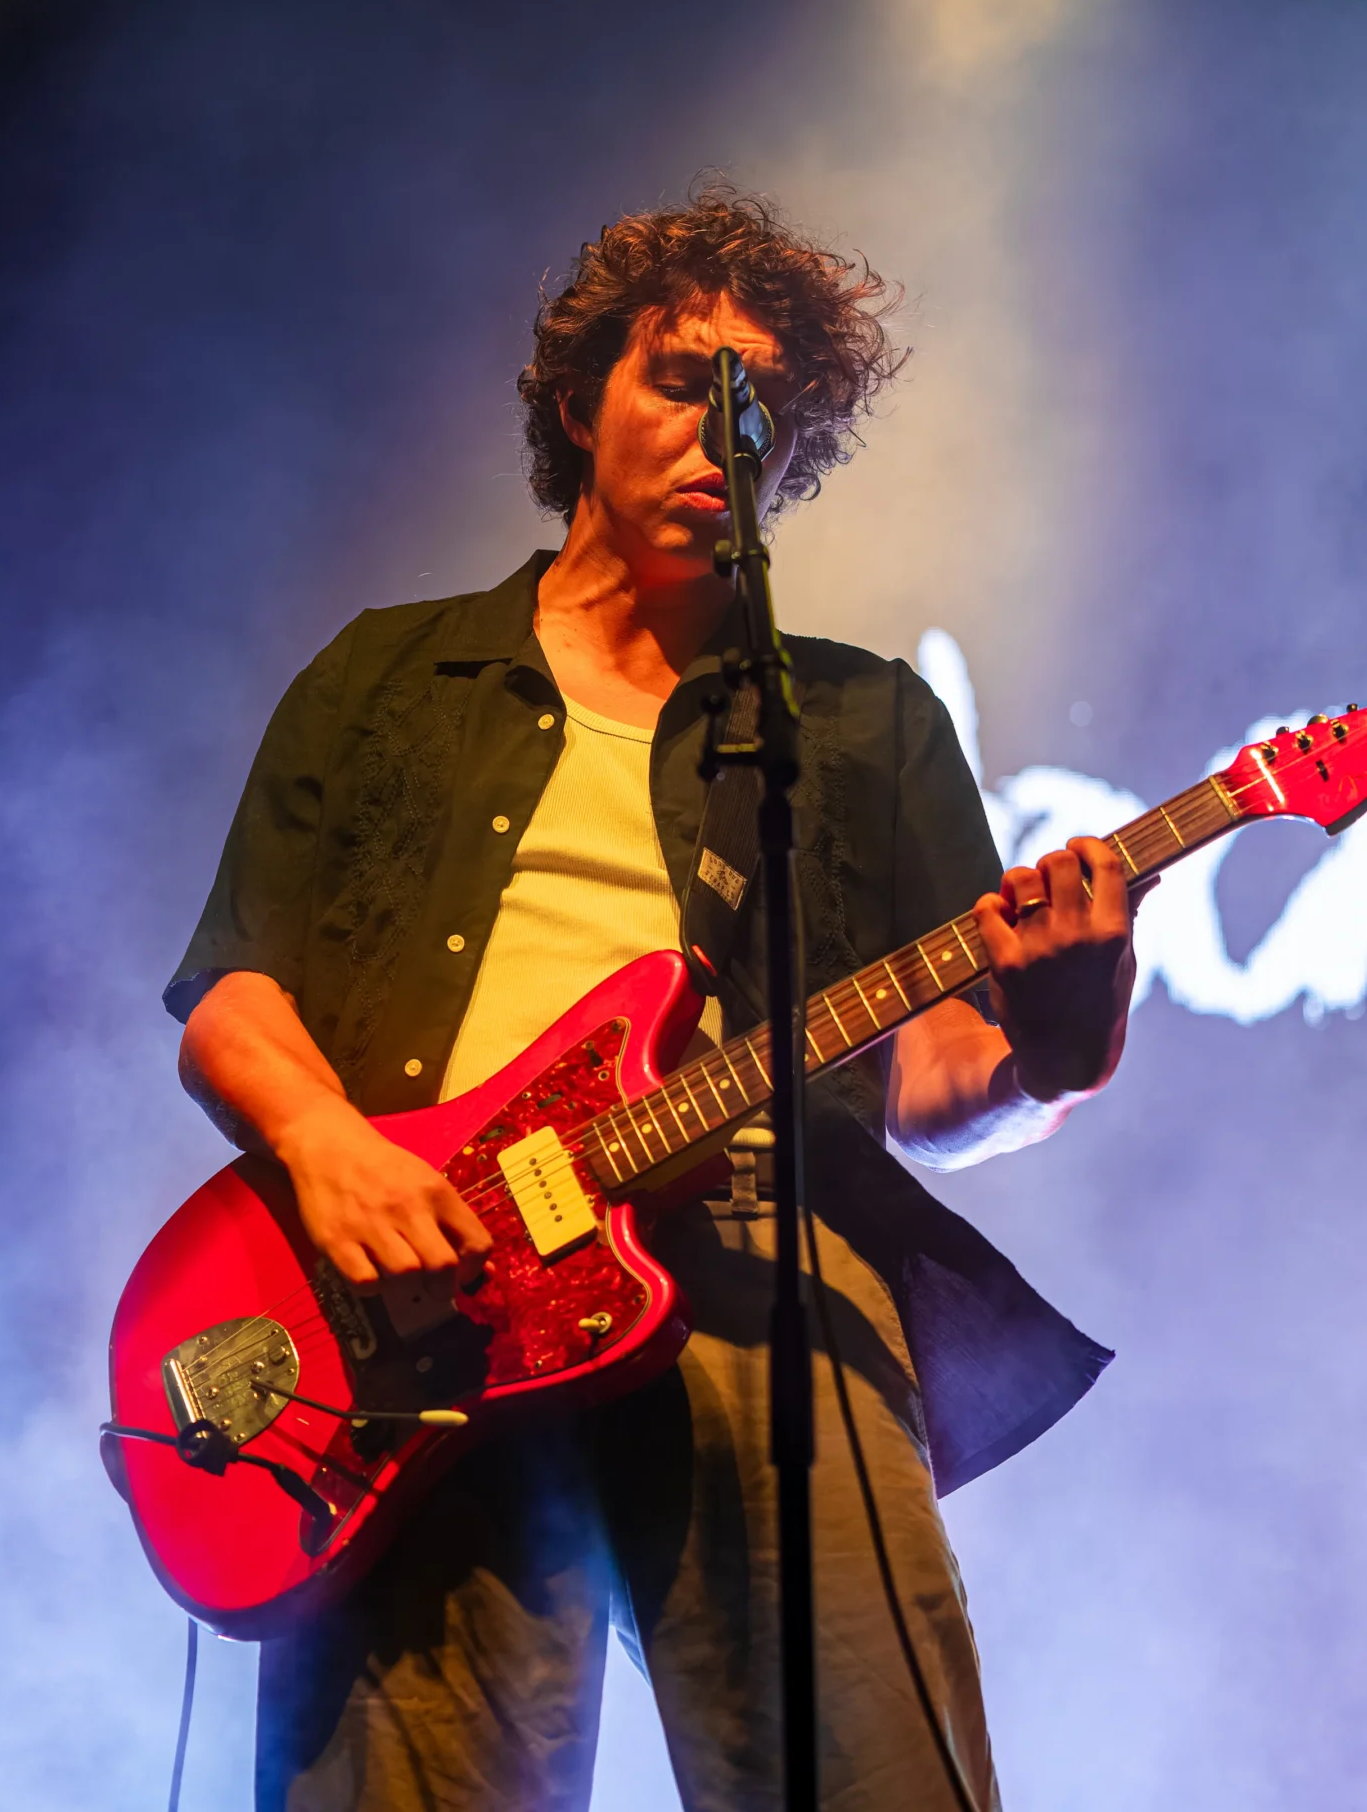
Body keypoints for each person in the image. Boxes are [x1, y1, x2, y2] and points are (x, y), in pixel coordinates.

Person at [167, 190, 1139, 1812]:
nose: (723, 431)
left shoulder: (861, 720)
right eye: (686, 380)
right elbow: (233, 987)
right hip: (423, 1298)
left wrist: (1066, 1024)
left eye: (766, 409)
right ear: (580, 402)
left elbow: (932, 1078)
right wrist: (327, 1150)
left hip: (763, 1274)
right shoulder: (392, 675)